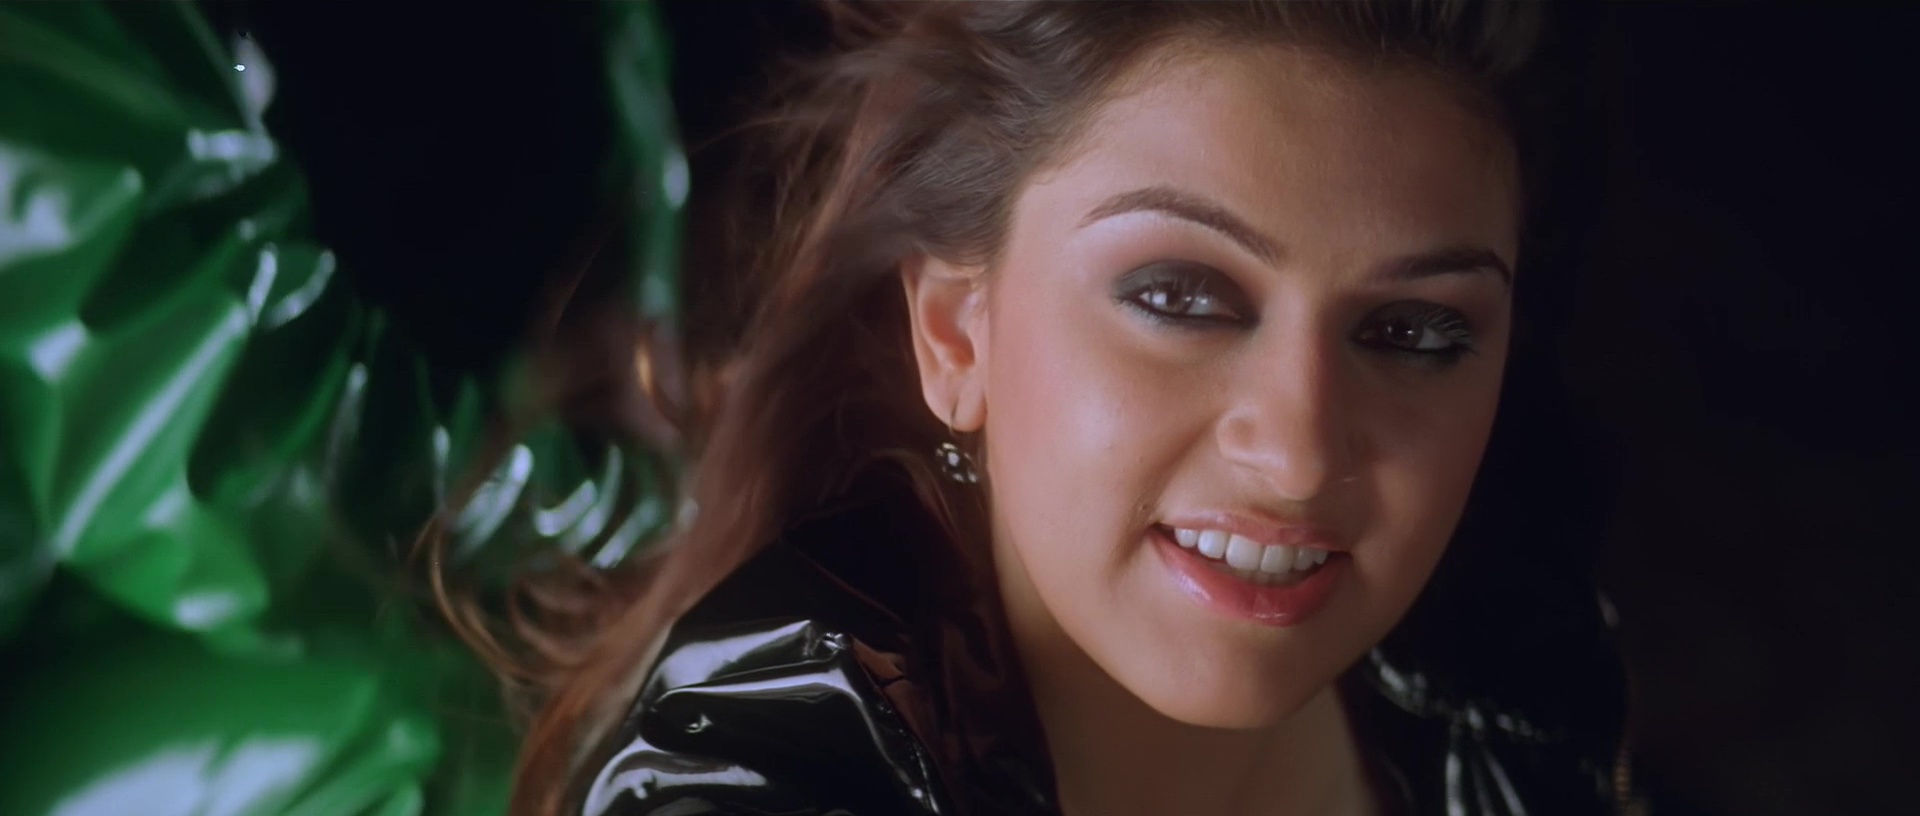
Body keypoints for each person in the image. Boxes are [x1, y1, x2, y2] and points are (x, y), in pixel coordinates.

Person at [458, 3, 1633, 814]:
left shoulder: (1512, 634)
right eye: (1180, 298)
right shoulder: (765, 780)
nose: (1298, 455)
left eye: (1415, 332)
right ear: (954, 332)